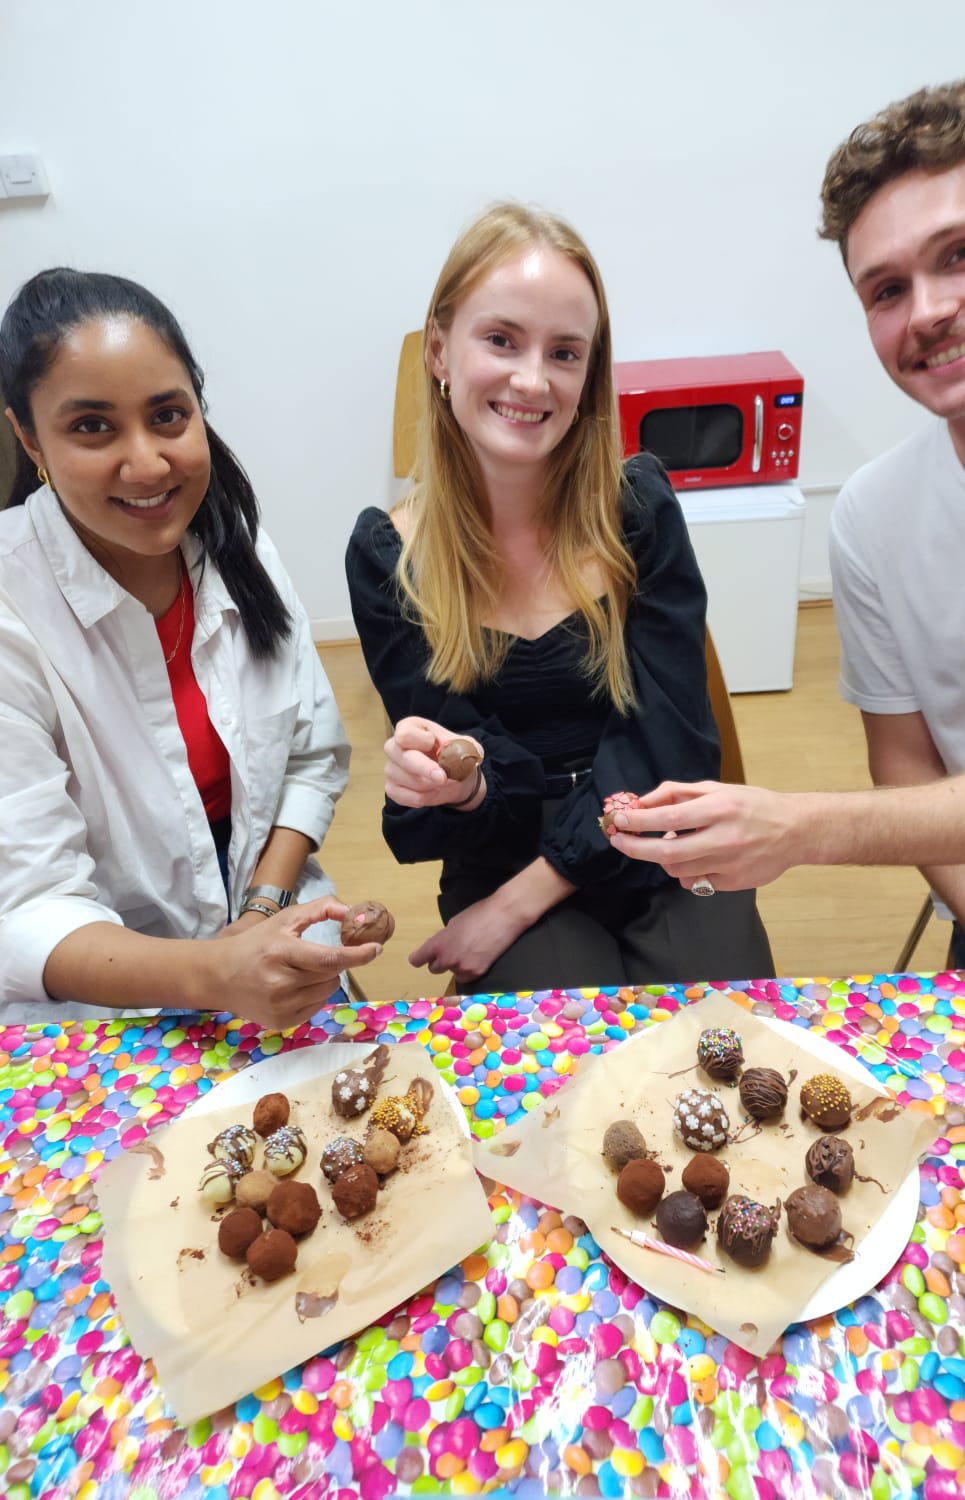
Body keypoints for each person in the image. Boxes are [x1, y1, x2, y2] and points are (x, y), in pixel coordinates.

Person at [608, 76, 965, 969]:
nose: (926, 311)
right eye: (885, 289)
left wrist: (805, 825)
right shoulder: (874, 517)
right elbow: (906, 762)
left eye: (961, 253)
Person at [345, 203, 774, 992]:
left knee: (721, 1048)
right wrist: (461, 783)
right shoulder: (389, 558)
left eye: (565, 353)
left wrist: (516, 904)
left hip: (661, 832)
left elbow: (668, 746)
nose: (532, 380)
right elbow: (472, 768)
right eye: (501, 340)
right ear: (439, 351)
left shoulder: (638, 509)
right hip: (502, 847)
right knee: (564, 1068)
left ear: (589, 374)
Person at [0, 269, 380, 1026]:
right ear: (26, 435)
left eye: (168, 416)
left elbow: (310, 756)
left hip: (261, 948)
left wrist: (266, 911)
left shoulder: (239, 552)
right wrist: (213, 971)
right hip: (99, 1011)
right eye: (92, 427)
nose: (146, 464)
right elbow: (28, 909)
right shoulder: (14, 609)